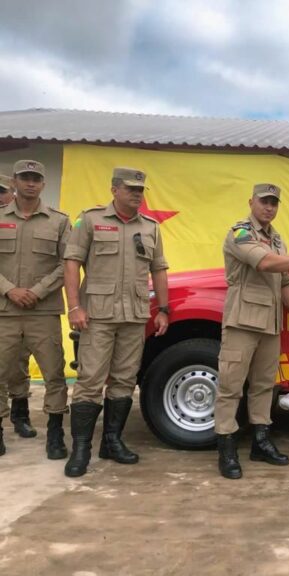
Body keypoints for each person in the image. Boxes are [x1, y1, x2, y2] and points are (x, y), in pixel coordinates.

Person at [63, 167, 170, 477]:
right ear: (114, 189)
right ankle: (81, 448)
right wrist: (74, 307)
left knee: (124, 380)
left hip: (134, 316)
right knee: (90, 381)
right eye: (130, 188)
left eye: (140, 189)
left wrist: (163, 309)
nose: (137, 194)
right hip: (96, 315)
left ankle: (112, 441)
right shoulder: (91, 219)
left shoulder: (150, 227)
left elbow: (159, 268)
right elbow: (72, 262)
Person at [214, 183, 289, 480]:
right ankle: (226, 446)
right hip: (242, 321)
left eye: (274, 203)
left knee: (264, 386)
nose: (269, 207)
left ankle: (260, 441)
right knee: (231, 386)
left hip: (270, 323)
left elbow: (284, 279)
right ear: (251, 202)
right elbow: (265, 263)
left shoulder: (277, 240)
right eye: (264, 202)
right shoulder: (241, 233)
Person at [0, 160, 71, 458]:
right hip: (4, 311)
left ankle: (55, 434)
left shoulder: (59, 221)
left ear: (43, 184)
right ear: (14, 182)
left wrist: (38, 291)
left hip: (43, 312)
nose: (31, 183)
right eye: (25, 177)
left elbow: (66, 263)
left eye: (36, 178)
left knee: (54, 373)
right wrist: (9, 289)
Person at [0, 174, 36, 439]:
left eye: (1, 191)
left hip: (16, 306)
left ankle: (20, 414)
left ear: (11, 192)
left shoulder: (22, 220)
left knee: (18, 362)